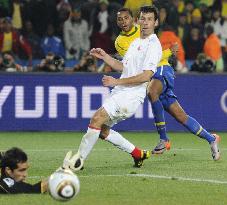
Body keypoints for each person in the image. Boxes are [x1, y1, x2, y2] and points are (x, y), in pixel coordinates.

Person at [63, 5, 162, 171]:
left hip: (131, 95)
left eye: (149, 19)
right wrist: (105, 57)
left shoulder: (153, 45)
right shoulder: (137, 41)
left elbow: (146, 76)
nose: (145, 22)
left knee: (96, 119)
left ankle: (78, 162)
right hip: (122, 92)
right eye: (143, 18)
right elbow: (124, 67)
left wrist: (116, 82)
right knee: (101, 129)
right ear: (138, 21)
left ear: (156, 23)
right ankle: (137, 153)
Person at [148, 37, 221, 161]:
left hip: (160, 70)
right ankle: (211, 139)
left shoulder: (144, 38)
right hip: (158, 75)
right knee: (182, 117)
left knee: (152, 92)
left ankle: (163, 139)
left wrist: (169, 51)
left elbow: (150, 58)